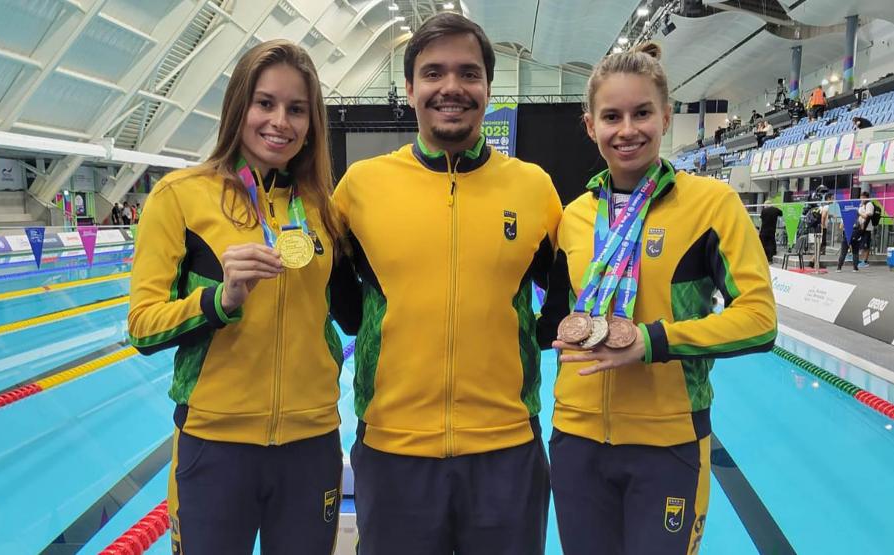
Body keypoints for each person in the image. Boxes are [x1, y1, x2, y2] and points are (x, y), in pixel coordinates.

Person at [333, 13, 561, 554]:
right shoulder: (361, 188)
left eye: (468, 73)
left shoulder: (533, 189)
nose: (451, 87)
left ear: (488, 87)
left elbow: (569, 306)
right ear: (409, 88)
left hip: (506, 449)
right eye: (434, 73)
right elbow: (337, 303)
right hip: (393, 449)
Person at [537, 42, 777, 555]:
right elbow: (553, 320)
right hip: (577, 441)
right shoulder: (574, 217)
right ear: (589, 126)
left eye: (642, 113)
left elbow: (759, 321)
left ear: (666, 117)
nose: (627, 129)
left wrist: (652, 340)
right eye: (612, 116)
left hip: (669, 440)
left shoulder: (713, 205)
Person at [127, 40, 360, 554]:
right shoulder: (180, 196)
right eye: (265, 103)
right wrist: (220, 300)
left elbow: (352, 317)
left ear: (312, 122)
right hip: (215, 443)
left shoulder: (325, 209)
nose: (280, 121)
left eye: (297, 109)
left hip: (310, 442)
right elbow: (142, 326)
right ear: (239, 107)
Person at [857, 191, 876, 267]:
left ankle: (865, 261)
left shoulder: (869, 204)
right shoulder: (862, 204)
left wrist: (859, 213)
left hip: (866, 228)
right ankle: (860, 260)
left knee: (866, 245)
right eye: (861, 197)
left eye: (863, 197)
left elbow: (867, 216)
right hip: (860, 227)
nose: (862, 199)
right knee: (860, 244)